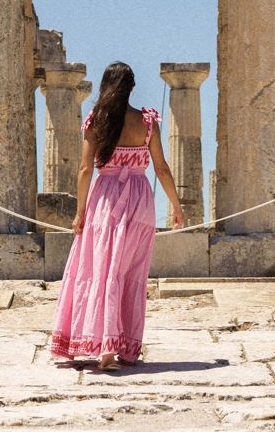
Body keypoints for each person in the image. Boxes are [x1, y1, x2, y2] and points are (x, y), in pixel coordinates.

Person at [48, 60, 185, 369]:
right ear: (131, 88)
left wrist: (79, 212)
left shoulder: (95, 121)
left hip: (105, 201)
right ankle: (122, 345)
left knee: (100, 270)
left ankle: (103, 347)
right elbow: (161, 168)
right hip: (140, 202)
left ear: (104, 87)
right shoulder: (148, 122)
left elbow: (85, 170)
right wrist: (176, 205)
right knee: (130, 274)